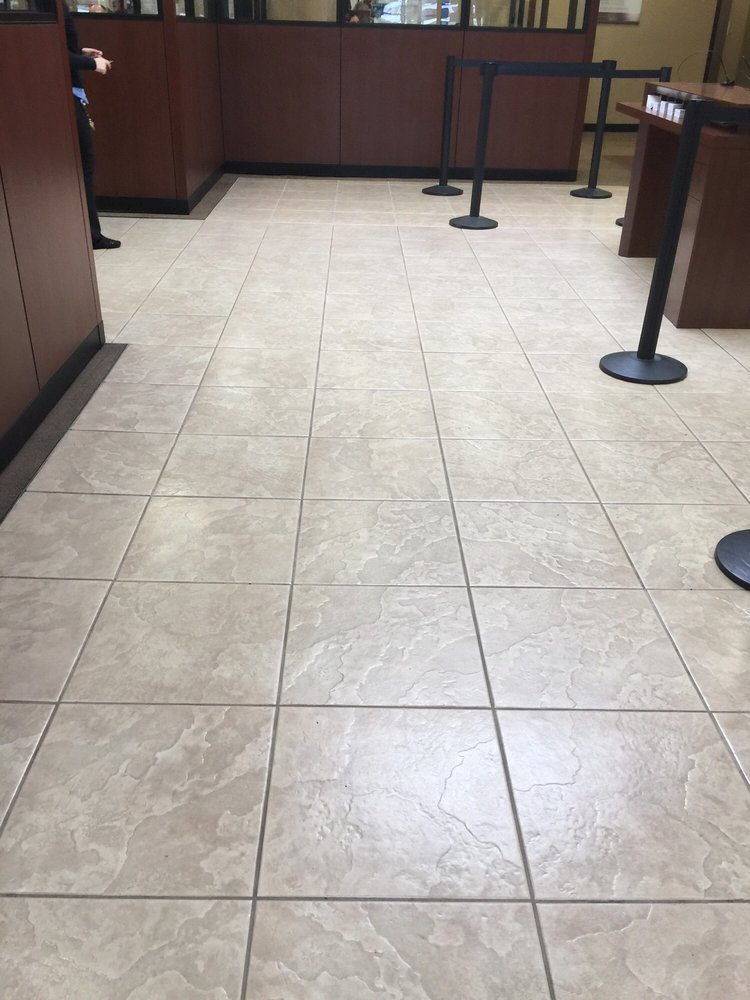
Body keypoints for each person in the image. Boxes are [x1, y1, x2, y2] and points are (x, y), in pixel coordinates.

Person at [62, 2, 121, 250]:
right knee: (84, 165)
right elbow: (50, 50)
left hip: (70, 91)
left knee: (83, 165)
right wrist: (91, 64)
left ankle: (86, 233)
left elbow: (58, 46)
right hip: (65, 93)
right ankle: (91, 235)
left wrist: (80, 52)